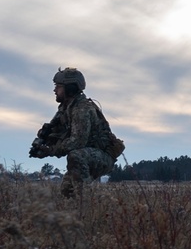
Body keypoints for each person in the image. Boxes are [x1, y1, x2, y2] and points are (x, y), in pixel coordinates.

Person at [29, 67, 124, 198]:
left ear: (70, 88)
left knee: (75, 156)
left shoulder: (82, 109)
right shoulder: (66, 108)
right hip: (88, 155)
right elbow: (55, 132)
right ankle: (83, 209)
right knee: (67, 191)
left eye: (58, 86)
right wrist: (43, 144)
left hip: (102, 156)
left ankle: (87, 203)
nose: (55, 90)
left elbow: (77, 142)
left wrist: (50, 151)